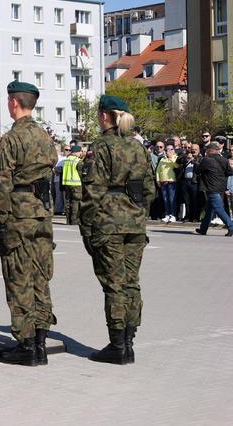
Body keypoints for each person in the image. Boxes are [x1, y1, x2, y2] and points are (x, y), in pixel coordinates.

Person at [79, 95, 155, 365]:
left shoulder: (101, 147)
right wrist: (137, 213)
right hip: (134, 223)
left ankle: (117, 345)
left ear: (104, 116)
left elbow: (92, 191)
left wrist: (85, 225)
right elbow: (149, 190)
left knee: (114, 285)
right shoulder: (138, 147)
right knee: (131, 283)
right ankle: (129, 342)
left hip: (108, 223)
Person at [0, 81, 57, 367]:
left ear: (14, 103)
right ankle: (40, 341)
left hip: (18, 214)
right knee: (40, 278)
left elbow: (1, 186)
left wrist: (0, 225)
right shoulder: (45, 137)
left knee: (18, 278)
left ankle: (26, 345)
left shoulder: (10, 140)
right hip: (41, 214)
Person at [194, 142, 233, 236]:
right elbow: (230, 172)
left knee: (218, 209)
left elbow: (197, 171)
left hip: (211, 187)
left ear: (210, 150)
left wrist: (197, 161)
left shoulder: (206, 160)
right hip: (220, 187)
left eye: (207, 150)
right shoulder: (224, 160)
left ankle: (231, 227)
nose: (206, 152)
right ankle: (203, 229)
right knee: (209, 210)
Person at [156, 144, 179, 223]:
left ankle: (173, 215)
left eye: (171, 149)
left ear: (173, 150)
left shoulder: (175, 158)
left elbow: (176, 166)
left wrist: (170, 158)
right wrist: (158, 180)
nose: (168, 151)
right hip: (163, 182)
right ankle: (167, 214)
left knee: (172, 199)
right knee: (166, 200)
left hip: (172, 182)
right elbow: (158, 170)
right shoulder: (162, 159)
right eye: (167, 150)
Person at [62, 145, 83, 225]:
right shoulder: (78, 161)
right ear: (77, 152)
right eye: (80, 151)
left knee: (68, 202)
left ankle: (68, 220)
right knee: (75, 202)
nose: (81, 153)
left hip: (67, 184)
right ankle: (74, 221)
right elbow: (81, 174)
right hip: (76, 184)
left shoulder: (66, 160)